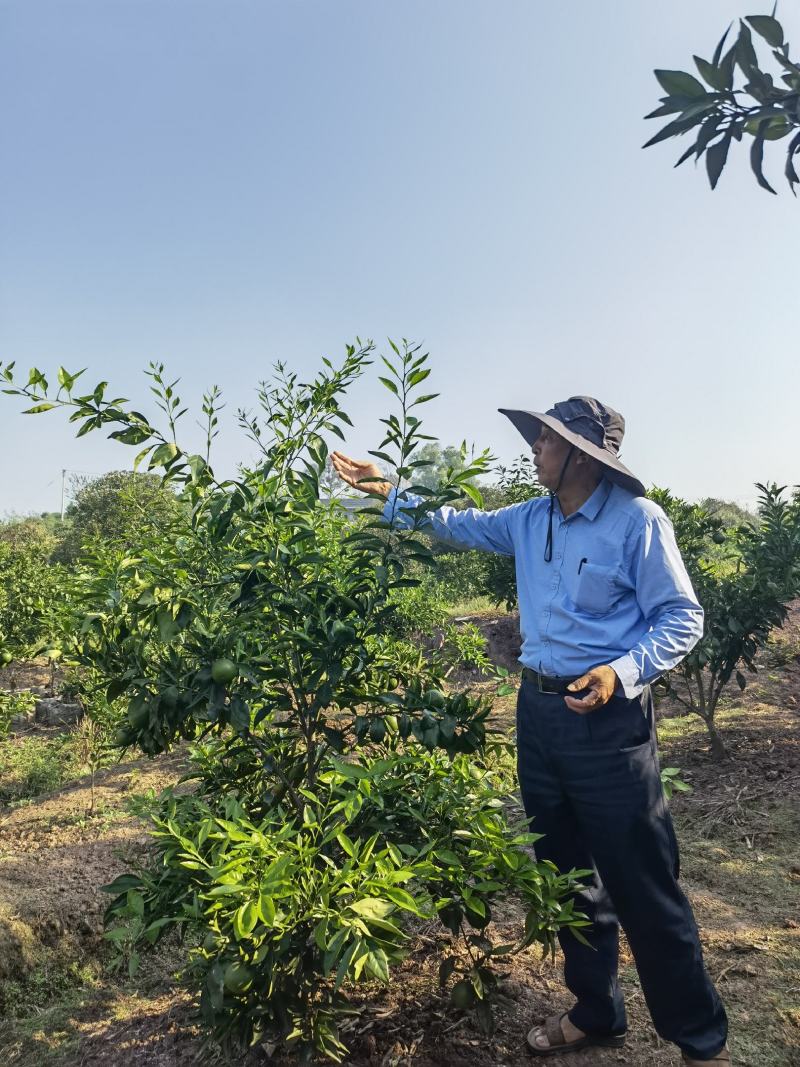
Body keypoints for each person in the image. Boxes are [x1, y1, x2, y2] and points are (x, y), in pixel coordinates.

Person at [331, 396, 730, 1065]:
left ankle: (700, 1039)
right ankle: (596, 1011)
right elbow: (453, 523)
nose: (534, 450)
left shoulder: (638, 522)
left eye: (544, 441)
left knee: (643, 881)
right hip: (540, 715)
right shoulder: (527, 520)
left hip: (609, 721)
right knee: (567, 877)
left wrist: (620, 670)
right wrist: (384, 489)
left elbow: (681, 617)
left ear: (580, 454)